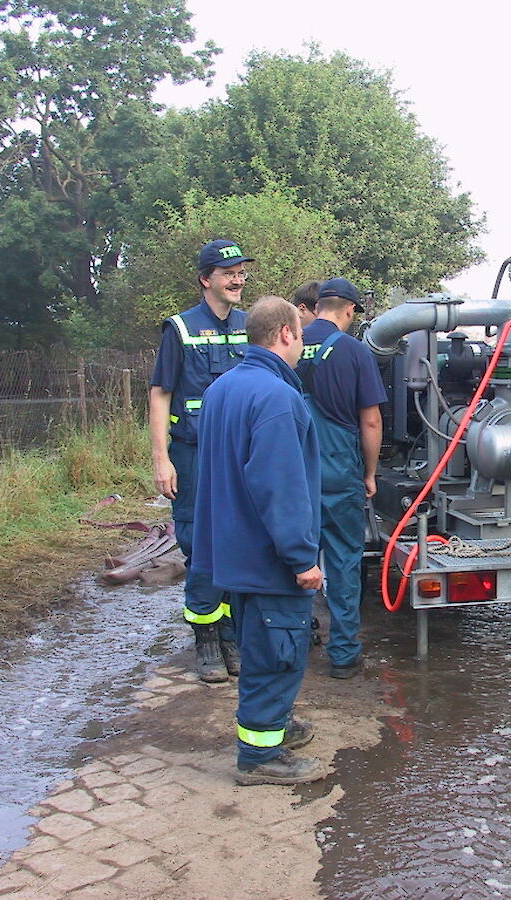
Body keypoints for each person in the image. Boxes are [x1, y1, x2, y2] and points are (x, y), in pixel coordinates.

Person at [191, 296, 327, 785]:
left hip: (234, 550)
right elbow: (280, 486)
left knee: (261, 643)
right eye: (302, 334)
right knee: (279, 651)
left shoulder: (222, 387)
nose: (304, 344)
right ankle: (259, 756)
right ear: (286, 334)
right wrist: (300, 557)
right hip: (270, 556)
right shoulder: (277, 398)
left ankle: (274, 725)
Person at [148, 239, 252, 683]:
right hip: (192, 455)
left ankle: (229, 632)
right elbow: (160, 393)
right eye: (229, 273)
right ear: (206, 279)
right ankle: (206, 639)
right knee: (200, 545)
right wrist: (161, 458)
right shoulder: (181, 328)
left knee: (237, 542)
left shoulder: (252, 325)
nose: (238, 279)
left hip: (239, 456)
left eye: (242, 272)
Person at [296, 277, 386, 679]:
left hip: (292, 471)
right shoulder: (354, 351)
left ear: (317, 307)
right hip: (338, 470)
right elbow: (370, 420)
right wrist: (369, 473)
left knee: (293, 558)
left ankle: (293, 643)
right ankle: (344, 654)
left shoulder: (288, 343)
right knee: (344, 561)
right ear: (349, 310)